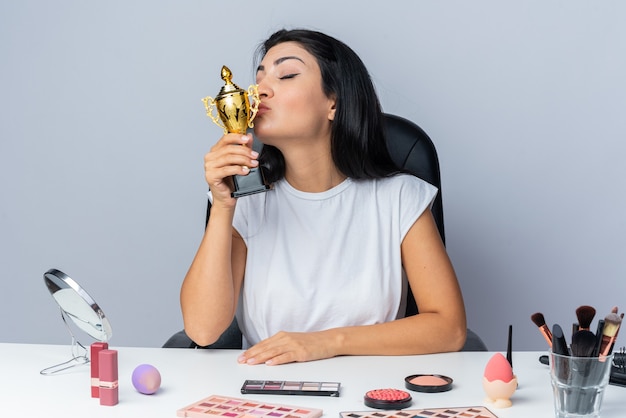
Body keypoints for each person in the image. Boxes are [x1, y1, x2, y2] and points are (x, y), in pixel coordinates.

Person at [180, 28, 467, 365]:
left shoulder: (399, 198)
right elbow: (203, 330)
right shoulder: (247, 199)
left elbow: (450, 328)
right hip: (267, 389)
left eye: (286, 74)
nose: (259, 90)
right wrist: (223, 206)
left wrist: (325, 342)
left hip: (373, 390)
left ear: (333, 102)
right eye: (259, 77)